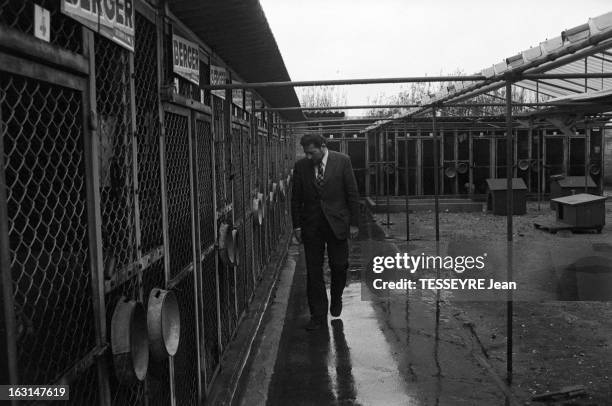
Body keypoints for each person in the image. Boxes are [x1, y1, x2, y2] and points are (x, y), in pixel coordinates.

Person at [291, 134, 360, 330]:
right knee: (314, 272)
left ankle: (336, 297)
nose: (309, 156)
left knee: (339, 266)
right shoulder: (301, 166)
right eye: (306, 153)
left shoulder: (342, 161)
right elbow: (295, 199)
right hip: (312, 227)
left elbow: (352, 193)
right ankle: (318, 316)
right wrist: (296, 226)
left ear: (322, 147)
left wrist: (354, 223)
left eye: (311, 152)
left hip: (337, 224)